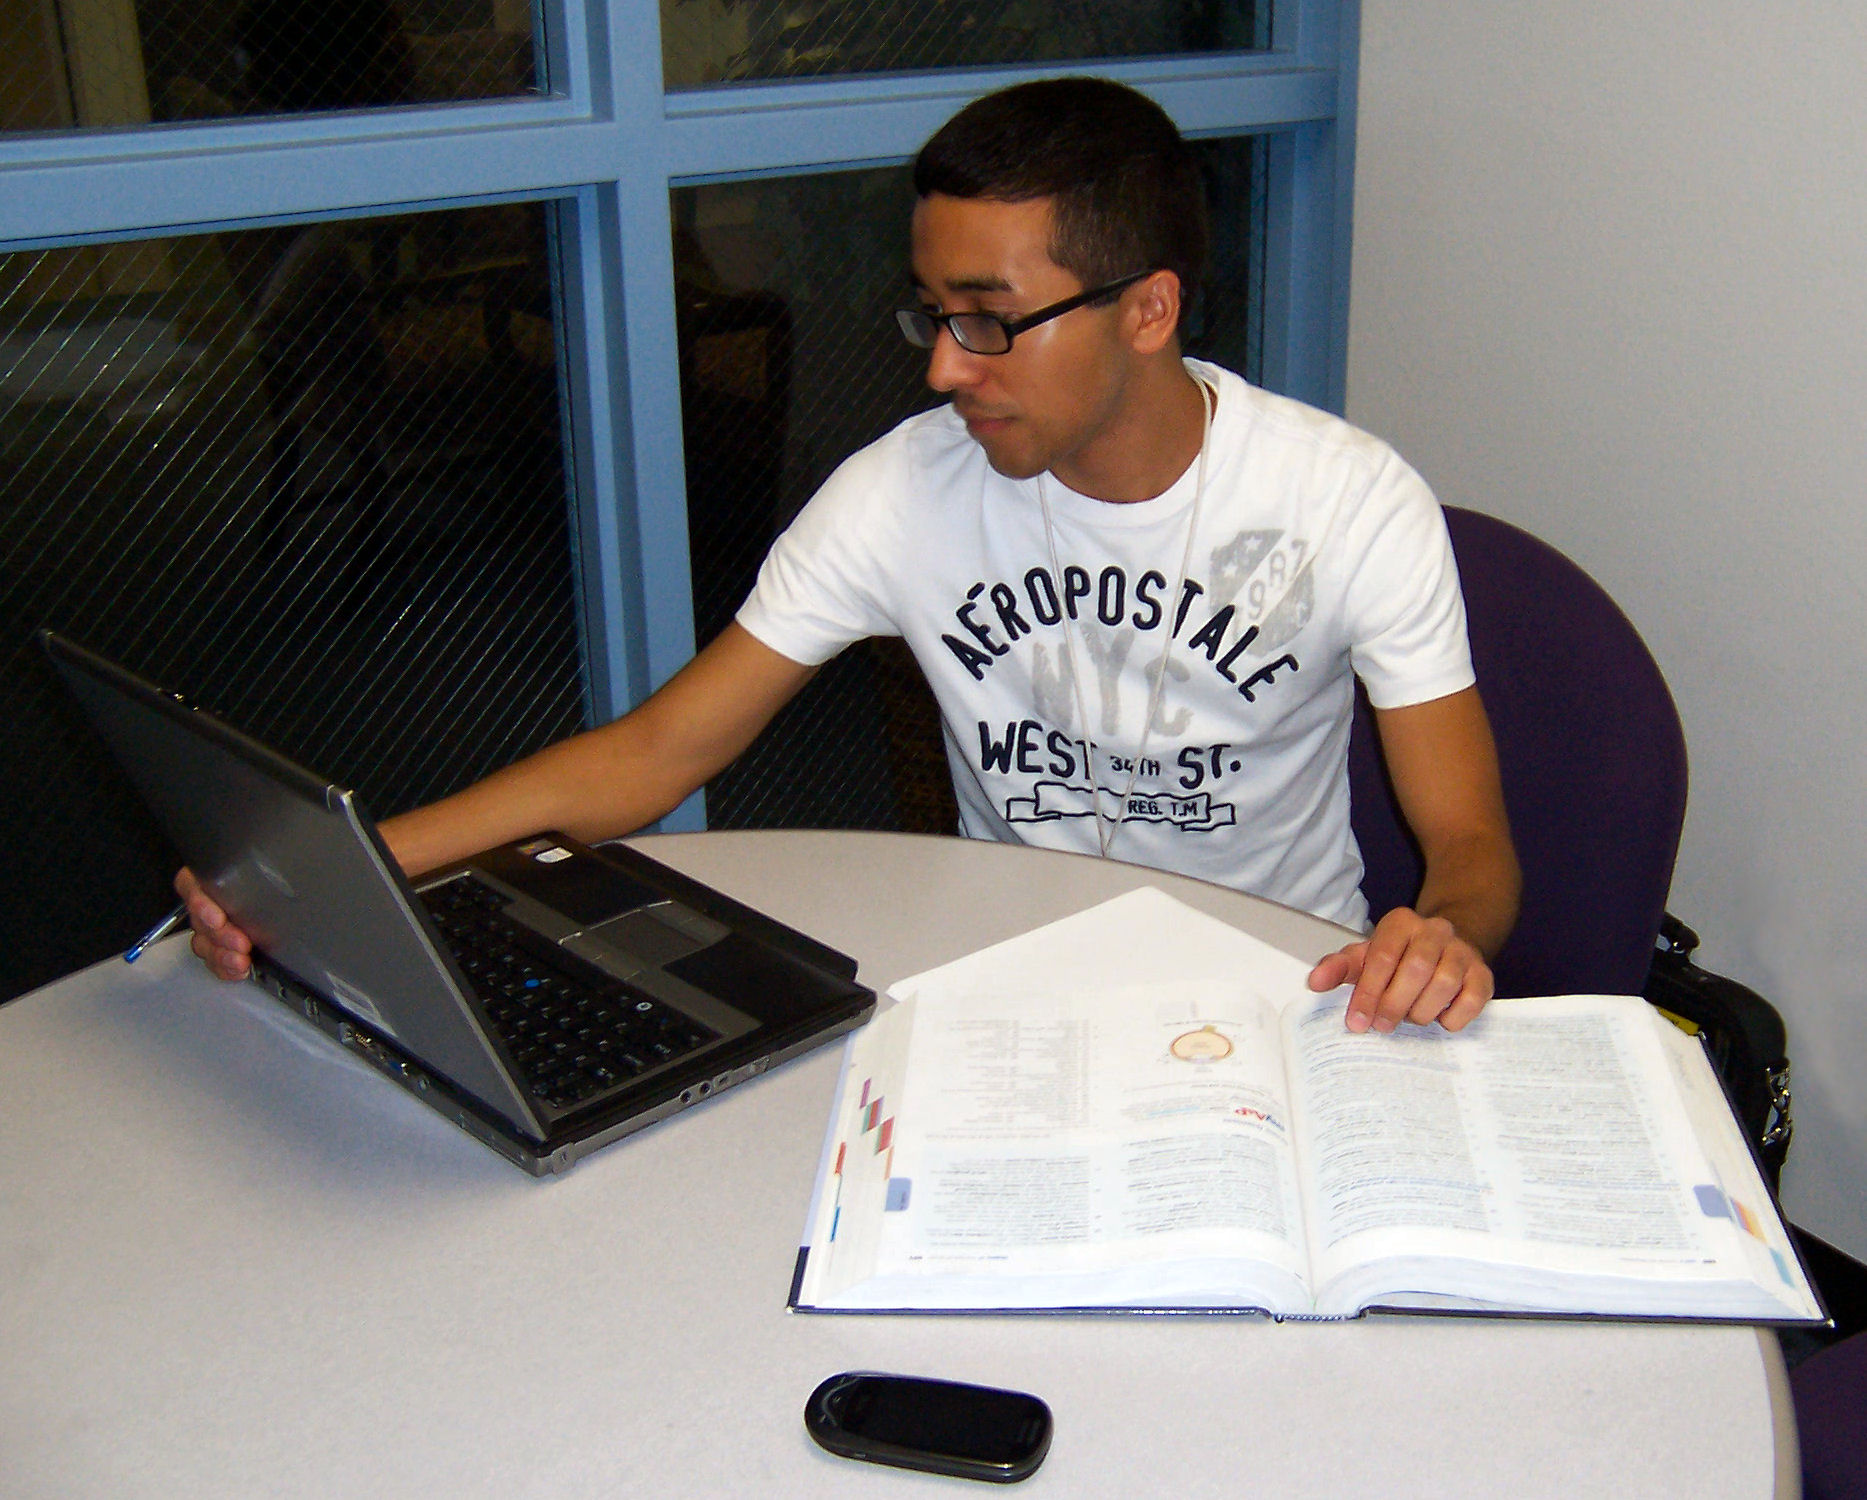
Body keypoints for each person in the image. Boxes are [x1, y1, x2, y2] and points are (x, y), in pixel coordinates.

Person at [181, 77, 1520, 1035]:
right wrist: (334, 872)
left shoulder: (1346, 502)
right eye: (932, 316)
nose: (944, 369)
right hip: (1009, 990)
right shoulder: (903, 494)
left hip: (1277, 995)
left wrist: (1443, 931)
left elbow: (1468, 844)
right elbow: (656, 753)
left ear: (1149, 309)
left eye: (989, 322)